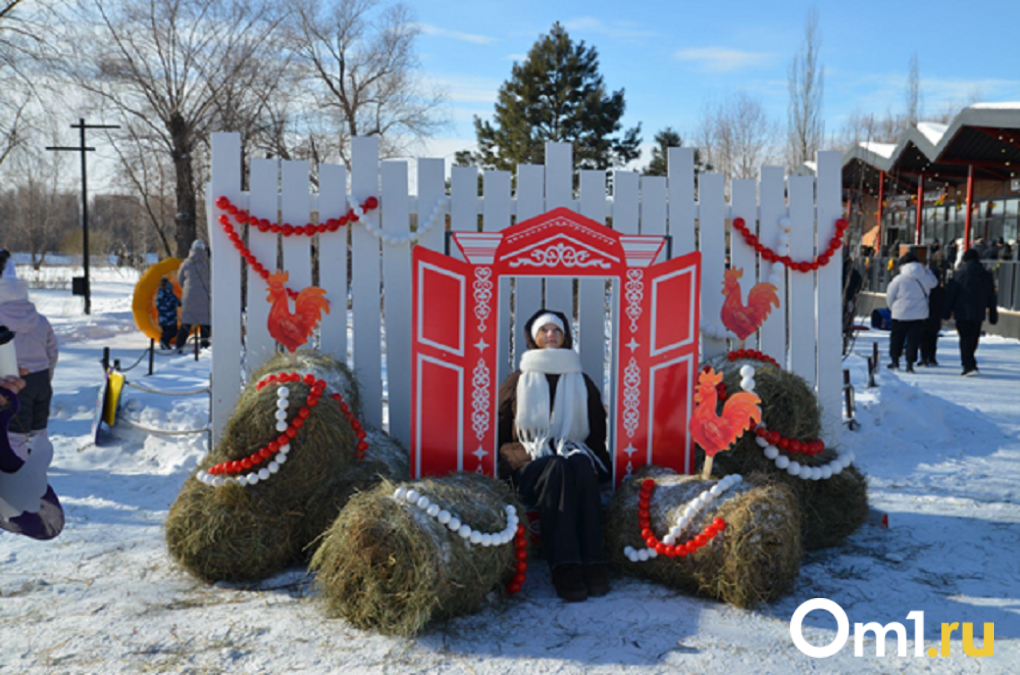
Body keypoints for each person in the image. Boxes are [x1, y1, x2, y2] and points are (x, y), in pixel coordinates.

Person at [497, 309, 611, 602]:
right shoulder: (517, 380)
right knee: (556, 467)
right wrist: (519, 458)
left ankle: (594, 563)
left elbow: (596, 432)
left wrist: (600, 465)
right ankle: (565, 567)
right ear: (534, 338)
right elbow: (498, 433)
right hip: (528, 465)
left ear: (564, 337)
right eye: (544, 330)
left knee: (580, 464)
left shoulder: (580, 381)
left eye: (556, 331)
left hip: (570, 457)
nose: (551, 335)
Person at [0, 249, 58, 459]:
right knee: (38, 426)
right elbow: (52, 351)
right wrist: (47, 376)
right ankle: (41, 461)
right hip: (41, 378)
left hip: (14, 381)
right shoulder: (40, 320)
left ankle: (20, 467)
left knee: (15, 429)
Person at [944, 249, 998, 376]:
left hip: (962, 311)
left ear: (964, 260)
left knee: (965, 338)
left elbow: (951, 294)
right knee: (973, 337)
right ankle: (970, 361)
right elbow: (991, 296)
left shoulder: (959, 275)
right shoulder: (986, 275)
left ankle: (968, 364)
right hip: (978, 311)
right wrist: (993, 314)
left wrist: (946, 312)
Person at [884, 251, 937, 373]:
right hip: (919, 315)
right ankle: (909, 364)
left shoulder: (898, 279)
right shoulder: (925, 277)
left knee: (897, 338)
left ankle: (895, 361)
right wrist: (927, 270)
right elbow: (934, 283)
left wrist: (893, 308)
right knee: (914, 340)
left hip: (899, 314)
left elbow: (890, 296)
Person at [175, 239, 211, 353]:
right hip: (205, 296)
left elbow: (179, 279)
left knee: (186, 323)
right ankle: (205, 347)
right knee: (206, 323)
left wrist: (187, 288)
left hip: (189, 296)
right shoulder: (209, 263)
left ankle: (179, 346)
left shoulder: (186, 263)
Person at [919, 261, 945, 367]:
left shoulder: (923, 287)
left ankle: (924, 357)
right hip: (936, 316)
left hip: (924, 314)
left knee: (923, 337)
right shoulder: (941, 290)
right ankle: (932, 357)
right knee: (933, 337)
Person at [156, 277, 180, 350]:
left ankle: (164, 345)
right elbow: (178, 303)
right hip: (170, 318)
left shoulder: (159, 294)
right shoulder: (171, 296)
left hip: (162, 318)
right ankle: (163, 341)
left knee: (165, 332)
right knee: (173, 332)